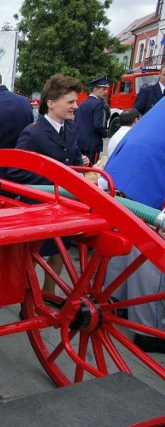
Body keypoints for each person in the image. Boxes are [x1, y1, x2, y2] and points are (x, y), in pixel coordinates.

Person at [9, 74, 86, 295]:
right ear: (51, 104)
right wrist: (58, 181)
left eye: (75, 101)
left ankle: (49, 295)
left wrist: (78, 174)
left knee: (59, 253)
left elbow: (75, 157)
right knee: (34, 256)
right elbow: (16, 172)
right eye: (70, 102)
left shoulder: (70, 128)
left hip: (64, 205)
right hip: (39, 207)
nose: (76, 106)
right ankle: (26, 298)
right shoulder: (32, 133)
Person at [103, 97, 165, 353]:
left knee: (127, 234)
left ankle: (115, 299)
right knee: (153, 251)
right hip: (151, 172)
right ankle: (148, 329)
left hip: (126, 166)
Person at [75, 76, 109, 164]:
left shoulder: (82, 104)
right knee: (91, 170)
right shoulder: (98, 104)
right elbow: (98, 125)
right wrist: (105, 133)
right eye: (103, 89)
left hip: (80, 142)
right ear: (95, 89)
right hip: (92, 144)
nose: (106, 92)